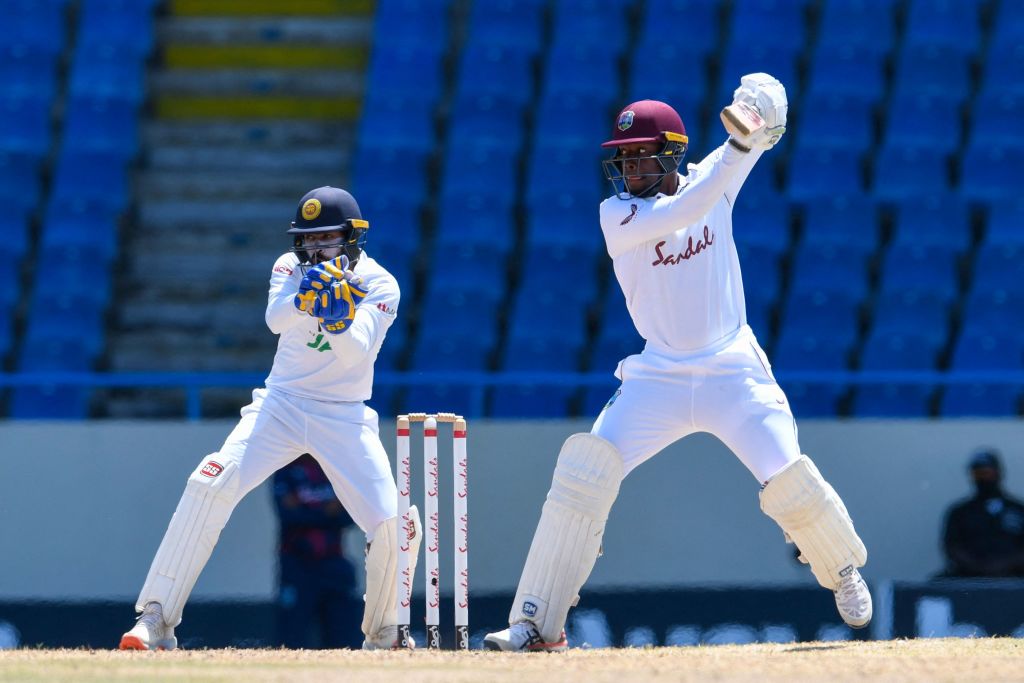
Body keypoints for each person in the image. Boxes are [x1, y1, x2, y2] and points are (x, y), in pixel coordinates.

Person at [484, 74, 872, 652]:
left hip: (733, 370)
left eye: (642, 158)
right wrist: (742, 147)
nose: (631, 171)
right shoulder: (617, 214)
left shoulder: (717, 173)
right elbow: (693, 201)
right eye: (624, 160)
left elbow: (771, 105)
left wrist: (759, 107)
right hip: (658, 375)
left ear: (672, 154)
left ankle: (842, 571)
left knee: (788, 475)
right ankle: (536, 621)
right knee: (583, 473)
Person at [119, 186, 422, 651]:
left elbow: (355, 352)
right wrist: (309, 298)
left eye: (327, 238)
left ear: (353, 237)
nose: (315, 248)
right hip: (280, 405)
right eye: (307, 238)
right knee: (210, 482)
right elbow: (275, 320)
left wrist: (339, 316)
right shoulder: (288, 266)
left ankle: (386, 634)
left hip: (343, 415)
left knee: (392, 523)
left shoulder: (381, 285)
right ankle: (156, 619)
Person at [274, 454, 361, 649]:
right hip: (297, 564)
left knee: (344, 638)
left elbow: (350, 516)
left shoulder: (335, 470)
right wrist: (326, 512)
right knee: (292, 636)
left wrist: (309, 511)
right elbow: (289, 516)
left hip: (334, 563)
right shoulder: (285, 470)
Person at [941, 449, 1024, 578]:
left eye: (987, 473)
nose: (983, 478)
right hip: (969, 578)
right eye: (978, 474)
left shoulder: (1019, 510)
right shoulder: (960, 512)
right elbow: (952, 546)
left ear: (999, 473)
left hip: (1014, 578)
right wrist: (979, 567)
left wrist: (1004, 565)